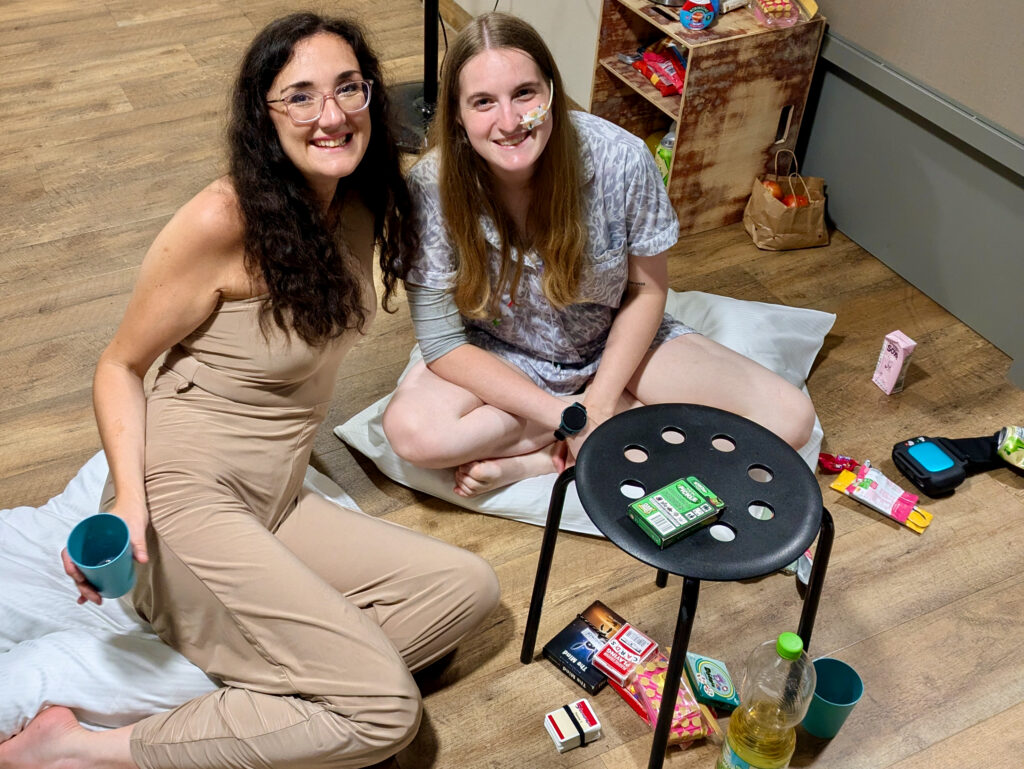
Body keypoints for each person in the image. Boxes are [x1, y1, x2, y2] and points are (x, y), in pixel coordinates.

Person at [0, 12, 499, 769]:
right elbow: (118, 365)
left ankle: (269, 700)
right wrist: (131, 503)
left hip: (277, 496)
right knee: (388, 710)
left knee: (470, 586)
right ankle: (82, 747)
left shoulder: (366, 200)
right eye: (299, 96)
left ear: (373, 95)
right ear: (264, 118)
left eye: (347, 89)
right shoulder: (222, 218)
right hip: (182, 499)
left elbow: (478, 159)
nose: (330, 114)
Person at [381, 12, 815, 498]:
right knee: (412, 432)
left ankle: (544, 457)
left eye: (524, 93)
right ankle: (574, 443)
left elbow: (647, 289)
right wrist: (569, 417)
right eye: (483, 102)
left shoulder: (621, 159)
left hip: (614, 343)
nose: (508, 122)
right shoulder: (430, 186)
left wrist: (602, 399)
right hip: (502, 354)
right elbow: (441, 340)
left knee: (790, 420)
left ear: (550, 92)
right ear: (457, 115)